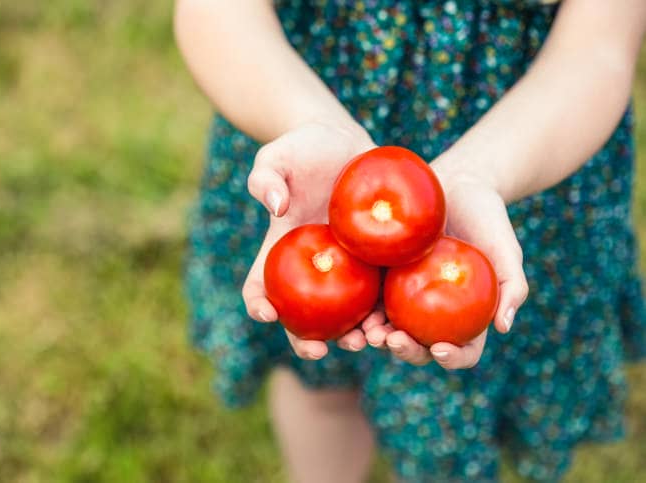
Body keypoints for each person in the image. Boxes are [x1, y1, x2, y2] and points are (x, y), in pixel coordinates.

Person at [176, 0, 646, 481]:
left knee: (463, 409)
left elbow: (598, 52)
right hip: (305, 131)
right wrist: (313, 123)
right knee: (320, 388)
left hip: (523, 159)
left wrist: (480, 174)